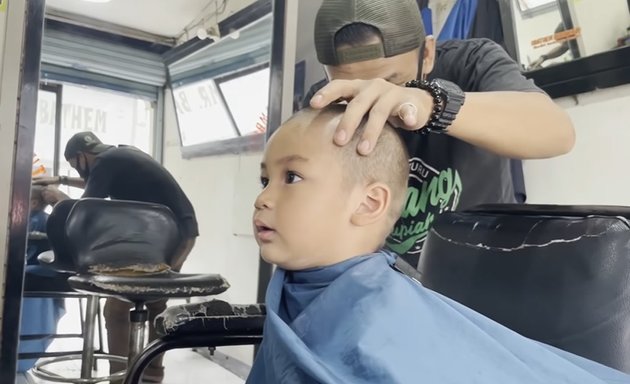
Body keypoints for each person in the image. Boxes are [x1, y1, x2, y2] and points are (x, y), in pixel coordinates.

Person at [246, 105, 629, 383]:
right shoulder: (299, 288)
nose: (262, 198)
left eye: (291, 177)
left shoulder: (382, 324)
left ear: (368, 203)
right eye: (266, 180)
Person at [307, 0, 576, 268]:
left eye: (391, 83)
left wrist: (434, 105)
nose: (373, 104)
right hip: (384, 284)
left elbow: (556, 131)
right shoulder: (324, 101)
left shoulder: (472, 63)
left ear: (428, 54)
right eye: (354, 91)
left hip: (483, 268)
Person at [33, 132, 198, 383]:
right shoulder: (122, 154)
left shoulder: (106, 163)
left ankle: (119, 379)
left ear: (81, 157)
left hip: (152, 241)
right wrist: (61, 178)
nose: (77, 173)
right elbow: (94, 183)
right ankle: (153, 374)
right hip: (180, 236)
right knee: (156, 305)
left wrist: (57, 197)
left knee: (116, 309)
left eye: (74, 166)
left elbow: (83, 214)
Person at [18, 186, 65, 373]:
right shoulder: (41, 220)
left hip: (40, 274)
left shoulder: (37, 222)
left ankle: (20, 352)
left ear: (35, 203)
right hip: (43, 272)